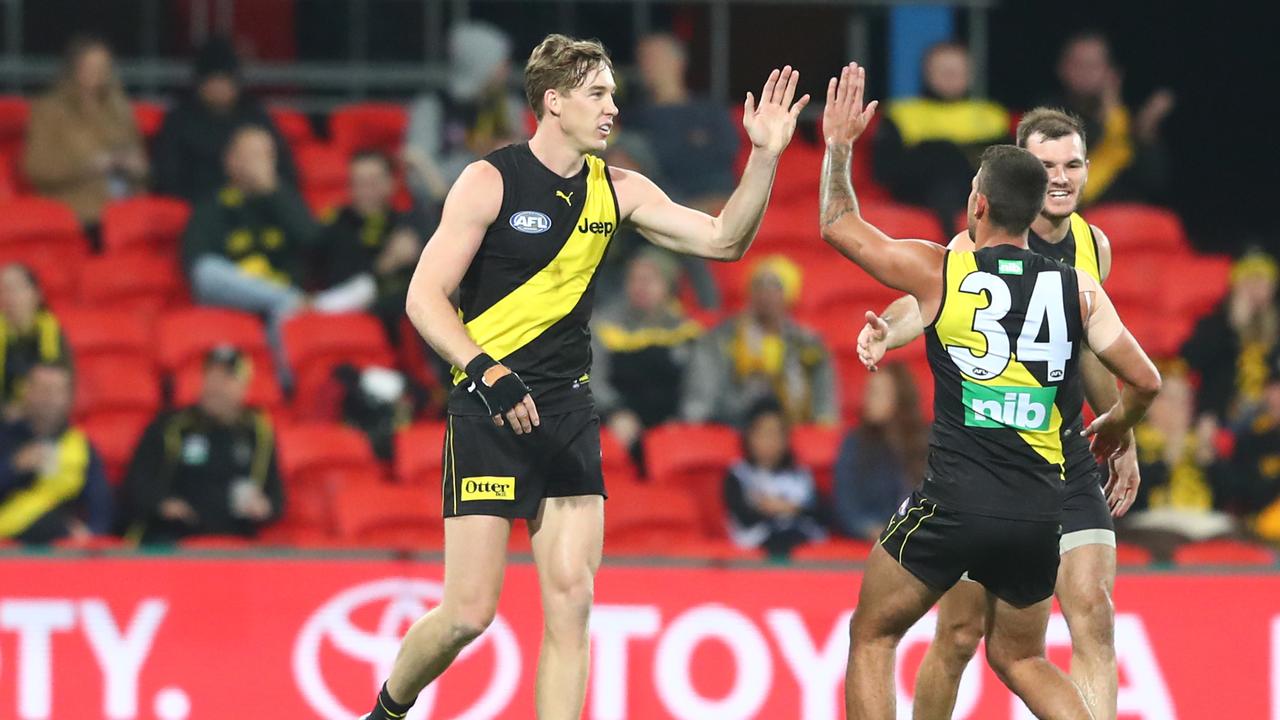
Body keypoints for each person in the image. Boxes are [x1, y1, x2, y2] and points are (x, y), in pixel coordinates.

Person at [365, 34, 809, 720]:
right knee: (467, 614)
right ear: (553, 101)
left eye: (613, 94)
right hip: (488, 410)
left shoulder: (618, 188)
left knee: (572, 602)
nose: (612, 107)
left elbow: (726, 241)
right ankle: (389, 707)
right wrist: (488, 372)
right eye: (598, 93)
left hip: (567, 411)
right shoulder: (490, 180)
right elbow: (424, 298)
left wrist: (765, 155)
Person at [820, 63, 1161, 720]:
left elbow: (840, 223)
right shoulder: (1080, 289)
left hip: (954, 503)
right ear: (1035, 207)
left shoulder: (945, 265)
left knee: (873, 634)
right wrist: (1119, 422)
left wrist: (838, 147)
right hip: (1039, 507)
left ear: (978, 204)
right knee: (1022, 658)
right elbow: (1146, 379)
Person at [181, 125, 321, 377]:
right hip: (235, 299)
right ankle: (285, 299)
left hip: (282, 304)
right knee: (207, 271)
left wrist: (275, 193)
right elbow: (200, 272)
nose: (260, 164)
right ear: (231, 161)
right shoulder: (211, 207)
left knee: (290, 309)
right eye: (251, 155)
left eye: (266, 156)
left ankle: (286, 387)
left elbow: (315, 245)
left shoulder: (285, 201)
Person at [122, 346, 283, 544]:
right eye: (211, 377)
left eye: (226, 379)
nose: (215, 387)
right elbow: (136, 483)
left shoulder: (258, 432)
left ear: (244, 387)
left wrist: (264, 506)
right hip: (175, 535)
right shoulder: (172, 426)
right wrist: (163, 504)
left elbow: (275, 497)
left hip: (236, 540)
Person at [681, 255, 838, 427]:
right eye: (759, 286)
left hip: (792, 429)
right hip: (734, 425)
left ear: (788, 294)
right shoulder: (723, 337)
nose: (766, 295)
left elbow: (825, 406)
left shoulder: (807, 344)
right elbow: (699, 403)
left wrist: (823, 425)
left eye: (775, 287)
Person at [872, 41, 1009, 227]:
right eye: (943, 70)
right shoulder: (900, 113)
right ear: (926, 73)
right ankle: (953, 244)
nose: (950, 76)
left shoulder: (993, 115)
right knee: (942, 157)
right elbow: (884, 170)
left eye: (958, 70)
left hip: (977, 186)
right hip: (923, 190)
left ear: (971, 74)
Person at [22, 35, 147, 232]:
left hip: (125, 204)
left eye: (103, 66)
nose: (98, 73)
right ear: (73, 68)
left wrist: (137, 167)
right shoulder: (50, 110)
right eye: (90, 66)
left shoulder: (119, 109)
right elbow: (37, 168)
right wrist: (90, 166)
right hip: (79, 208)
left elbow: (142, 166)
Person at [153, 36, 299, 202]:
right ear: (200, 84)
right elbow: (168, 177)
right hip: (202, 204)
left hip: (256, 201)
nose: (219, 88)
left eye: (225, 80)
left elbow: (284, 171)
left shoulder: (254, 115)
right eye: (213, 80)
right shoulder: (179, 120)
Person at [591, 250, 701, 464]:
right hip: (619, 420)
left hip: (672, 425)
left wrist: (682, 420)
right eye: (634, 279)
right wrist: (614, 412)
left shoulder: (687, 331)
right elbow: (593, 379)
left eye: (649, 280)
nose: (640, 287)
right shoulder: (603, 325)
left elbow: (700, 387)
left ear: (668, 286)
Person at [401, 21, 528, 205]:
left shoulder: (509, 106)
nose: (507, 70)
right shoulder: (432, 106)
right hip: (444, 204)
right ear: (479, 63)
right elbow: (417, 172)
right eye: (501, 62)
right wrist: (478, 162)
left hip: (505, 203)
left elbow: (528, 163)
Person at [1047, 31, 1173, 204]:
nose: (1085, 73)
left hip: (1128, 220)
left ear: (1111, 72)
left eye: (1093, 65)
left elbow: (1153, 182)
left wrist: (1145, 132)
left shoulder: (1128, 119)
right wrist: (1110, 118)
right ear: (1061, 68)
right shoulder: (1047, 118)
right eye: (1078, 64)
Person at [315, 150, 424, 340]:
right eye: (358, 183)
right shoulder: (337, 225)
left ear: (391, 183)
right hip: (360, 314)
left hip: (407, 308)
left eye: (373, 182)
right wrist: (386, 264)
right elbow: (342, 288)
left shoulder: (405, 221)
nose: (366, 191)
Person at [628, 33, 740, 214]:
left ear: (679, 62)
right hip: (668, 209)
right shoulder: (634, 118)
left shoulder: (710, 111)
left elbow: (728, 153)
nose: (648, 65)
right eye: (643, 58)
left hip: (719, 200)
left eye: (655, 57)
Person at [0, 362, 112, 543]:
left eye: (57, 391)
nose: (49, 399)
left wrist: (90, 533)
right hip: (8, 545)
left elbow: (101, 505)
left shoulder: (80, 446)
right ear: (26, 393)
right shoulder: (5, 436)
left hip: (60, 548)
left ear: (69, 397)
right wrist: (13, 467)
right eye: (43, 389)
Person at [1181, 250, 1279, 427]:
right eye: (1248, 281)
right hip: (1220, 418)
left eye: (1261, 281)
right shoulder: (1214, 323)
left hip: (1267, 419)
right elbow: (1191, 359)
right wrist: (1232, 325)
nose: (1254, 288)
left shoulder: (1276, 329)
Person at [831, 363, 925, 541]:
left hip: (916, 540)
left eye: (878, 392)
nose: (868, 399)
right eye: (868, 391)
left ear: (900, 397)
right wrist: (873, 530)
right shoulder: (854, 443)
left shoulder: (926, 442)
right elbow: (846, 504)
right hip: (870, 539)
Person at [723, 398, 826, 557]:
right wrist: (768, 510)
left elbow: (820, 512)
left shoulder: (799, 475)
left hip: (800, 543)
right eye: (764, 434)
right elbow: (742, 515)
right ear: (749, 436)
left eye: (776, 434)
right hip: (756, 544)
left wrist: (791, 508)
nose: (770, 442)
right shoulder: (739, 475)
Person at [0, 264, 71, 412]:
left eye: (15, 288)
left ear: (36, 294)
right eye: (3, 289)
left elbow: (61, 388)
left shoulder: (51, 331)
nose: (8, 296)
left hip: (40, 418)